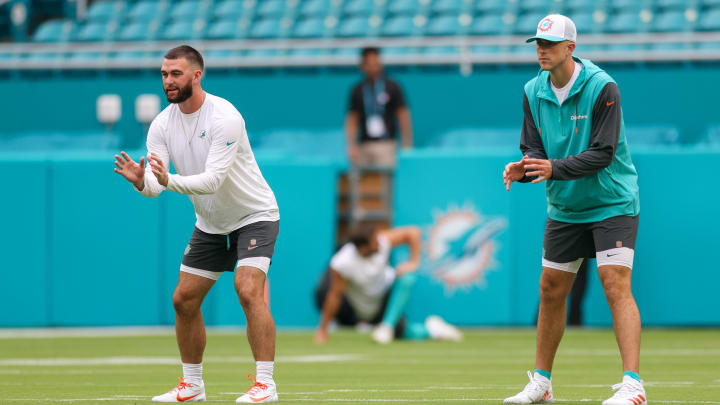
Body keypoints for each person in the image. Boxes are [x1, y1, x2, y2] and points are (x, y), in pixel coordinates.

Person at [114, 45, 280, 404]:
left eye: (175, 74)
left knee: (248, 289)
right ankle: (192, 385)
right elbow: (157, 187)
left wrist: (166, 180)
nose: (168, 81)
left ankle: (265, 384)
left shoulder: (225, 117)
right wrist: (143, 182)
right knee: (183, 300)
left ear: (196, 75)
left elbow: (213, 180)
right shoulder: (161, 124)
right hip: (210, 223)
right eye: (163, 74)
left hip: (255, 216)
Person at [502, 15, 645, 405]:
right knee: (550, 289)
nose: (541, 50)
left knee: (615, 284)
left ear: (571, 48)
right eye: (537, 43)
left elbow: (602, 153)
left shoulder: (603, 87)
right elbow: (533, 146)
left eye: (549, 44)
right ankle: (542, 383)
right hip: (565, 207)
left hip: (612, 201)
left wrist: (551, 168)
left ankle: (633, 386)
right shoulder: (532, 91)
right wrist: (526, 165)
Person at [314, 223, 462, 345]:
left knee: (407, 278)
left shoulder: (382, 240)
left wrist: (413, 262)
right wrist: (322, 330)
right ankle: (434, 329)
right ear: (363, 248)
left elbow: (413, 232)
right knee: (407, 333)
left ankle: (386, 327)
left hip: (387, 298)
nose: (379, 242)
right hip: (366, 311)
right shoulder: (342, 263)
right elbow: (335, 295)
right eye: (374, 241)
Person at [345, 47, 413, 168]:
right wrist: (351, 146)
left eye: (375, 63)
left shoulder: (392, 86)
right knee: (364, 183)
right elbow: (352, 119)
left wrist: (407, 144)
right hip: (364, 145)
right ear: (362, 65)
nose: (372, 67)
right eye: (369, 64)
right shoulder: (357, 90)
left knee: (386, 182)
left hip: (386, 144)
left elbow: (403, 115)